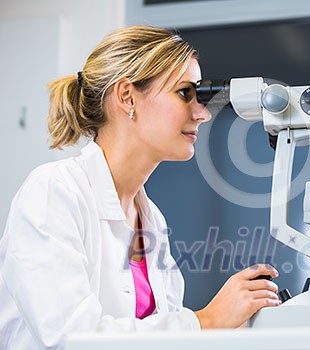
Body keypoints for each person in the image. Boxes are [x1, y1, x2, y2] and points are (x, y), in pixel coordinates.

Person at [0, 25, 280, 349]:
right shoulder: (54, 193)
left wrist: (228, 331)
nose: (202, 113)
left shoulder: (151, 221)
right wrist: (206, 321)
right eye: (185, 93)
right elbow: (69, 338)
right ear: (127, 96)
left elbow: (161, 338)